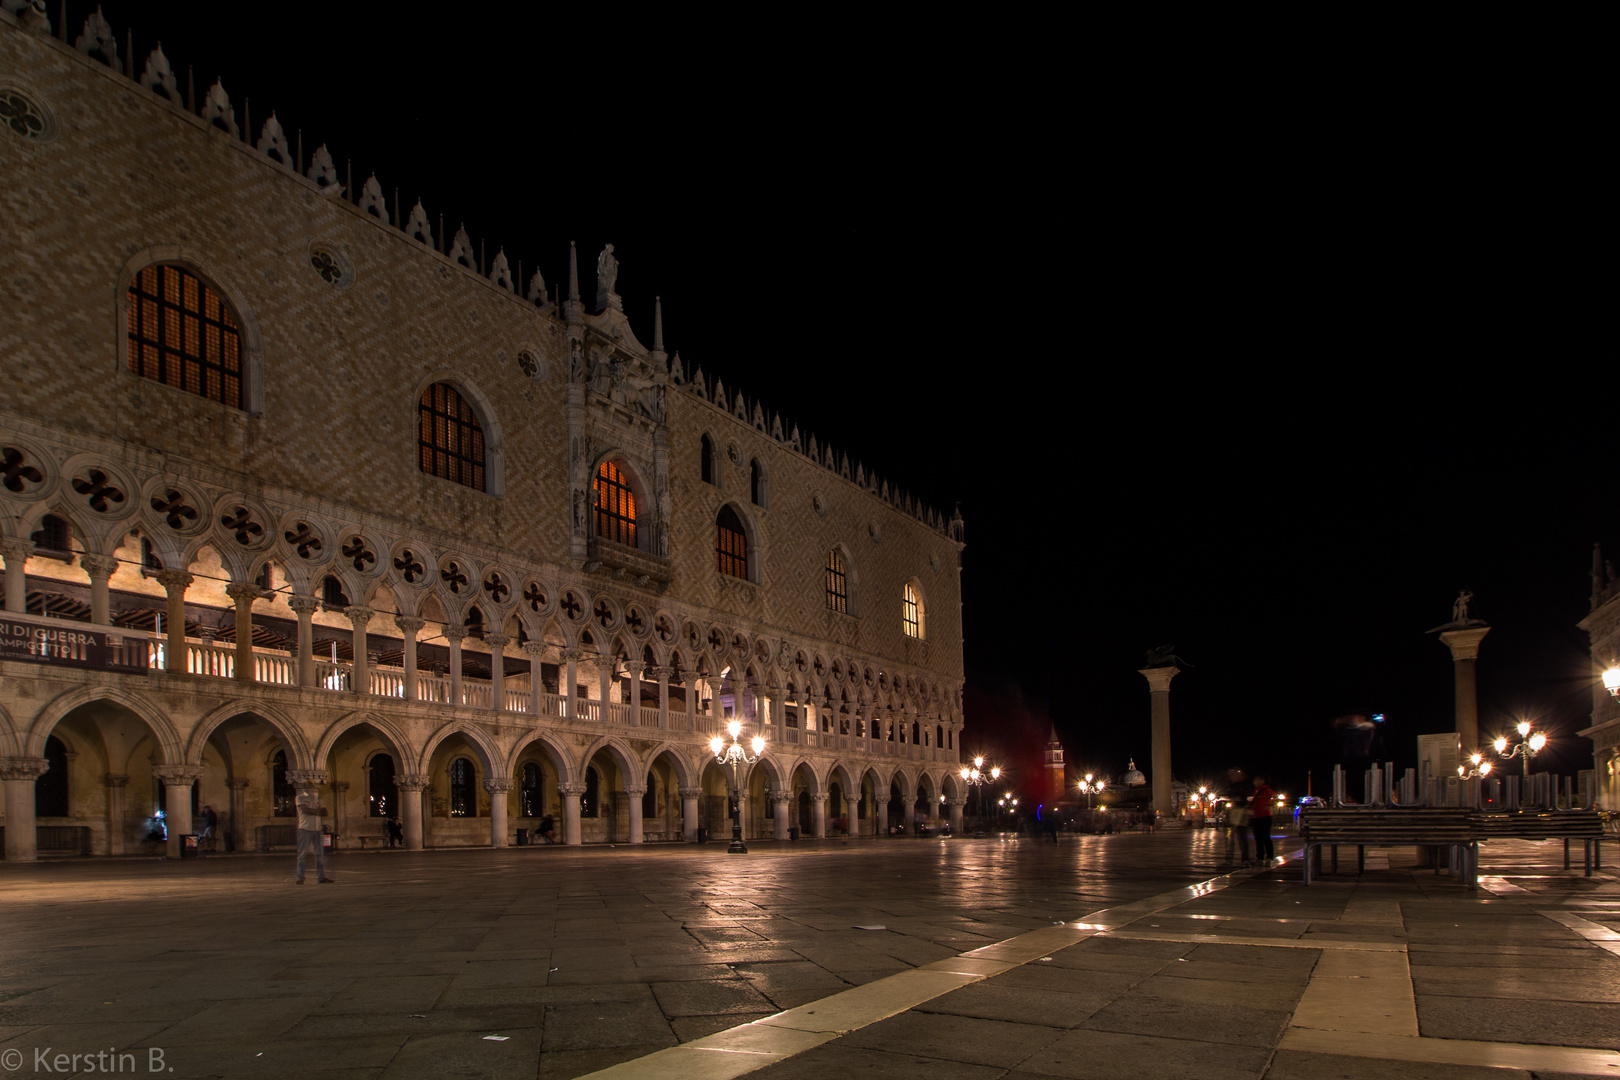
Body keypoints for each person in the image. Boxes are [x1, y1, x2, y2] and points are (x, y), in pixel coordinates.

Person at [294, 786, 333, 884]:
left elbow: (325, 812)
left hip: (318, 829)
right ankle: (300, 877)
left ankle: (321, 877)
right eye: (310, 788)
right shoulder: (300, 798)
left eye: (314, 789)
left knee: (320, 854)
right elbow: (305, 810)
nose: (312, 790)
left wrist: (314, 811)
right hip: (305, 829)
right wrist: (318, 811)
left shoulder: (318, 799)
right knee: (302, 854)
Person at [1250, 775, 1276, 863]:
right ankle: (1260, 857)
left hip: (1265, 816)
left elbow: (1274, 800)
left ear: (1262, 780)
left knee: (1265, 837)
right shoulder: (1255, 790)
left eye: (1256, 779)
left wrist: (1267, 806)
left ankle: (1268, 857)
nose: (1254, 781)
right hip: (1256, 816)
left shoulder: (1267, 790)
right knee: (1258, 838)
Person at [1225, 796, 1252, 866]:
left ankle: (1232, 859)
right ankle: (1244, 859)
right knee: (1238, 842)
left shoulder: (1238, 795)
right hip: (1239, 821)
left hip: (1239, 821)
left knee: (1235, 842)